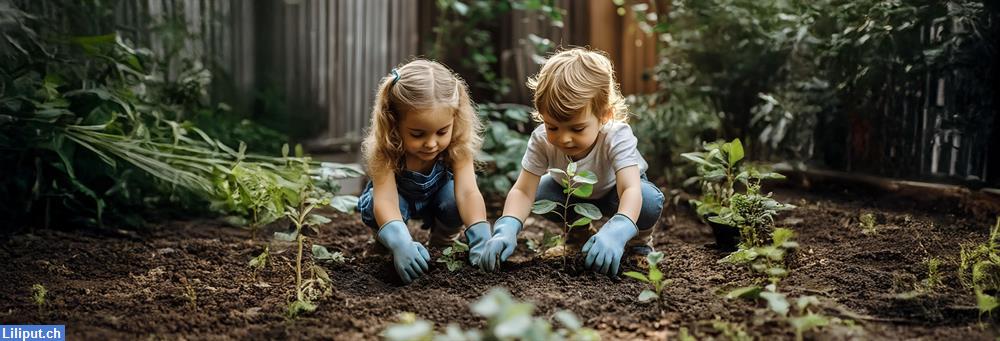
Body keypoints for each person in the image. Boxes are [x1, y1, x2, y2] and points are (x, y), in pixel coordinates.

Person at [479, 48, 665, 277]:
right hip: (572, 191)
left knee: (648, 200)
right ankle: (579, 235)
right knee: (542, 193)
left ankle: (638, 245)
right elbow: (523, 191)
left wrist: (619, 228)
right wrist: (507, 227)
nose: (564, 138)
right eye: (552, 127)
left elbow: (630, 188)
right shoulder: (541, 139)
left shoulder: (616, 136)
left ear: (604, 115)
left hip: (615, 193)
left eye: (577, 129)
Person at [357, 59, 491, 284]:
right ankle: (385, 244)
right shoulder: (385, 149)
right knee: (375, 205)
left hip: (438, 200)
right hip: (395, 203)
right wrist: (400, 242)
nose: (431, 143)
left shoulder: (457, 146)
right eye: (418, 134)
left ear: (454, 120)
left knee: (454, 199)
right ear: (394, 123)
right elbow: (386, 200)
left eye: (442, 132)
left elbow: (468, 193)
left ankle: (442, 243)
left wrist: (480, 234)